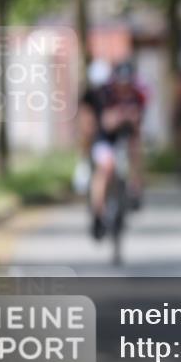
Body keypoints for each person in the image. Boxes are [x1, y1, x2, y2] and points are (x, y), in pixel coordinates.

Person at [78, 59, 146, 239]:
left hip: (125, 139)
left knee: (135, 151)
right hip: (104, 141)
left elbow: (137, 127)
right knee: (106, 167)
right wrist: (121, 117)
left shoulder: (137, 96)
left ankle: (134, 189)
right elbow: (104, 122)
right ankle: (98, 213)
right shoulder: (105, 95)